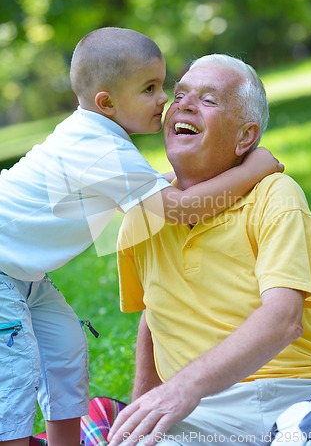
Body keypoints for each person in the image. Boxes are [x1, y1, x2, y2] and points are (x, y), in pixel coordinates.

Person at [0, 29, 281, 446]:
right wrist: (254, 169)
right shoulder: (99, 148)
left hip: (25, 277)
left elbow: (160, 192)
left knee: (66, 347)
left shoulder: (101, 141)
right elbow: (178, 207)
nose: (164, 99)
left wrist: (215, 176)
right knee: (16, 370)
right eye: (150, 89)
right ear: (107, 102)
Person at [108, 54, 311, 446]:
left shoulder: (274, 194)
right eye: (179, 95)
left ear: (246, 137)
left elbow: (284, 319)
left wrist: (182, 389)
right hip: (199, 416)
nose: (185, 105)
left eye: (209, 100)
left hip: (293, 395)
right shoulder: (143, 213)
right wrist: (140, 412)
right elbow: (155, 316)